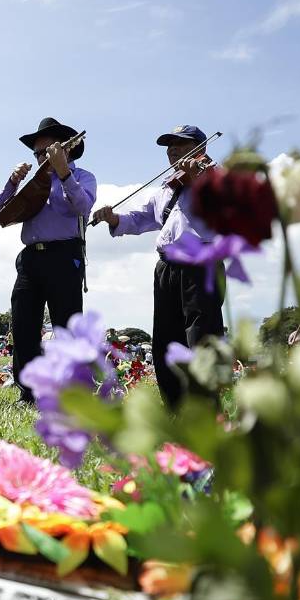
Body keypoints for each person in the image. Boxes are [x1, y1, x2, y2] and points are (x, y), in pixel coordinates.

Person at [93, 125, 220, 405]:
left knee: (201, 335)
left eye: (180, 144)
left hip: (201, 261)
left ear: (201, 148)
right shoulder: (165, 187)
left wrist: (199, 179)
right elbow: (139, 219)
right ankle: (173, 405)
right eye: (169, 145)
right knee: (165, 338)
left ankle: (204, 407)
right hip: (166, 267)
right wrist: (113, 218)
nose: (172, 150)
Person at [0, 117, 96, 402]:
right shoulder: (33, 182)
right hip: (30, 258)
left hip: (64, 255)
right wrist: (13, 181)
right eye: (38, 152)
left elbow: (83, 206)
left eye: (48, 150)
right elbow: (2, 209)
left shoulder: (83, 176)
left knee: (66, 326)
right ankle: (28, 391)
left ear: (67, 149)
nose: (42, 157)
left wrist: (64, 173)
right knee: (23, 324)